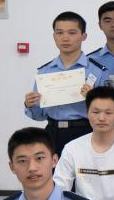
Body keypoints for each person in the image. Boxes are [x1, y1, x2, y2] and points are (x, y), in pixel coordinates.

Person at [22, 11, 108, 153]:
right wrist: (29, 105)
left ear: (84, 36)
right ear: (54, 36)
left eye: (72, 33)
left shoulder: (98, 71)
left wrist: (93, 98)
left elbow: (109, 111)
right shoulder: (45, 72)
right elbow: (39, 115)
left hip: (85, 132)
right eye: (60, 33)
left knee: (85, 169)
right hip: (52, 132)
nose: (65, 38)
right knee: (53, 168)